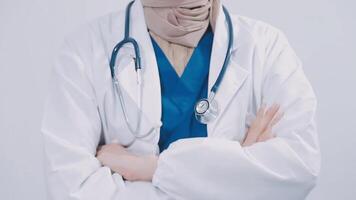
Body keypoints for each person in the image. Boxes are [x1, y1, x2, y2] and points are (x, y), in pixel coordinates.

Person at [41, 0, 320, 199]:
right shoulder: (83, 50)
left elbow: (298, 168)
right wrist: (233, 175)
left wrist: (151, 168)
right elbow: (71, 187)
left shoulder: (266, 46)